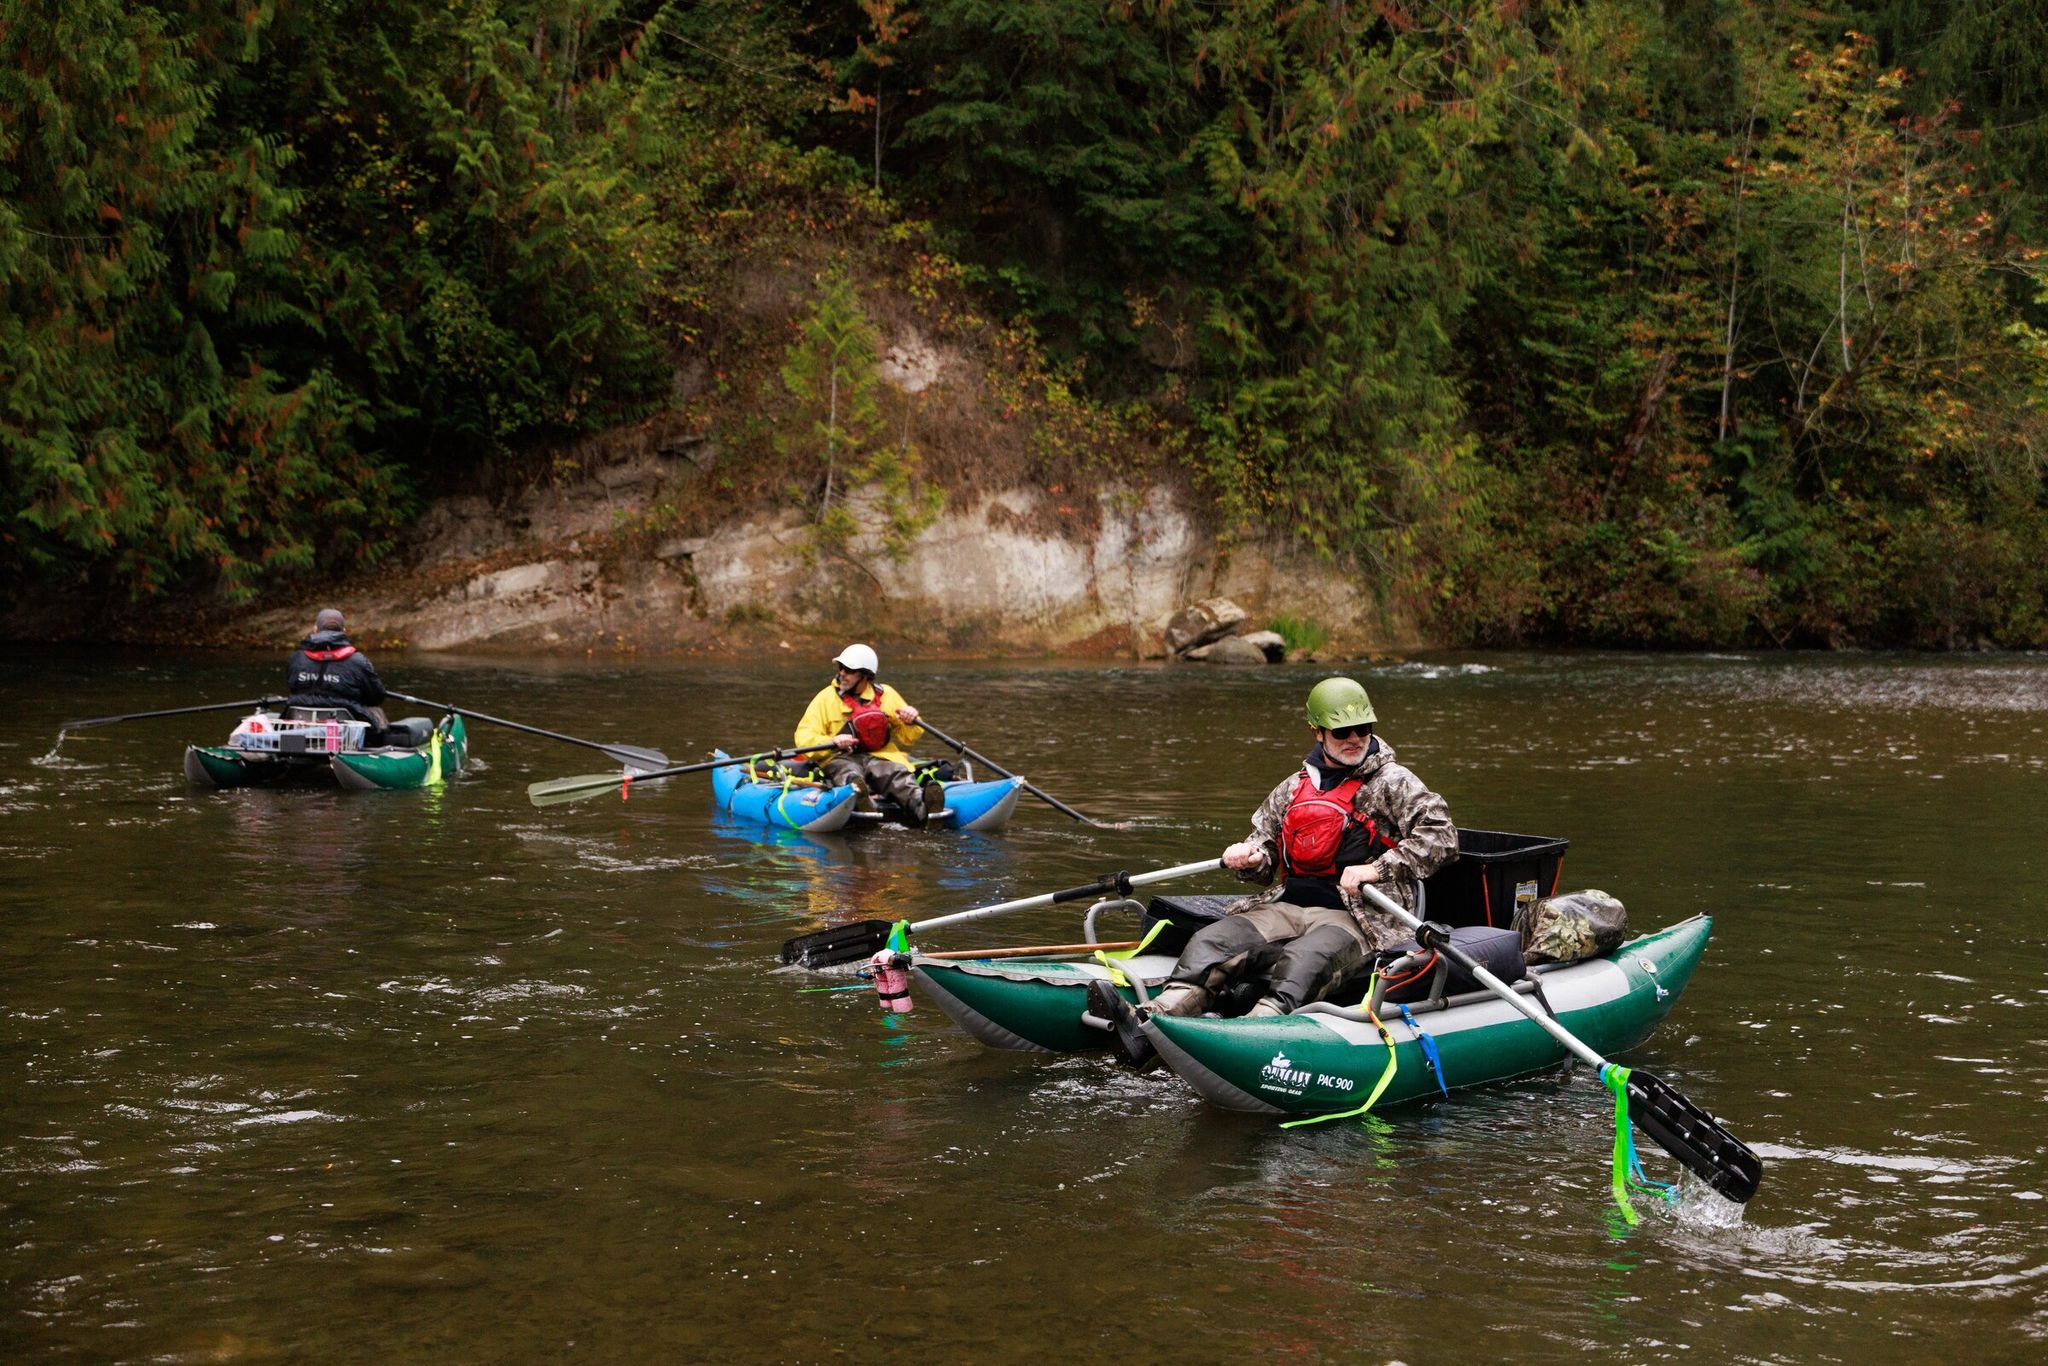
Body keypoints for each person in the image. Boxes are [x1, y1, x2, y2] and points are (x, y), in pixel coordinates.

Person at [1091, 676, 1457, 1065]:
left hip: (1360, 916)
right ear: (1317, 733)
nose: (1354, 738)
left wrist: (1378, 869)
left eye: (1363, 729)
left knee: (1304, 960)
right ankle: (1149, 1024)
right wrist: (1249, 858)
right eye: (1341, 731)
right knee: (1213, 943)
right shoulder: (1292, 788)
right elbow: (1264, 852)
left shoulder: (1394, 782)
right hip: (1287, 905)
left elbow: (1444, 839)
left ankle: (1247, 1039)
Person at [793, 644, 946, 827]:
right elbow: (803, 737)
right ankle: (863, 801)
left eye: (848, 670)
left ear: (865, 675)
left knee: (896, 774)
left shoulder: (886, 695)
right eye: (840, 668)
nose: (842, 673)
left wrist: (911, 719)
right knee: (850, 775)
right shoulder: (826, 698)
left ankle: (925, 810)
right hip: (840, 757)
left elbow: (909, 737)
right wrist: (831, 741)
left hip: (879, 757)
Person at [285, 608, 389, 732]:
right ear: (344, 632)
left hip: (300, 723)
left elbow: (293, 687)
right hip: (346, 731)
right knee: (376, 712)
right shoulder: (357, 661)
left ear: (315, 629)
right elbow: (377, 697)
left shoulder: (297, 658)